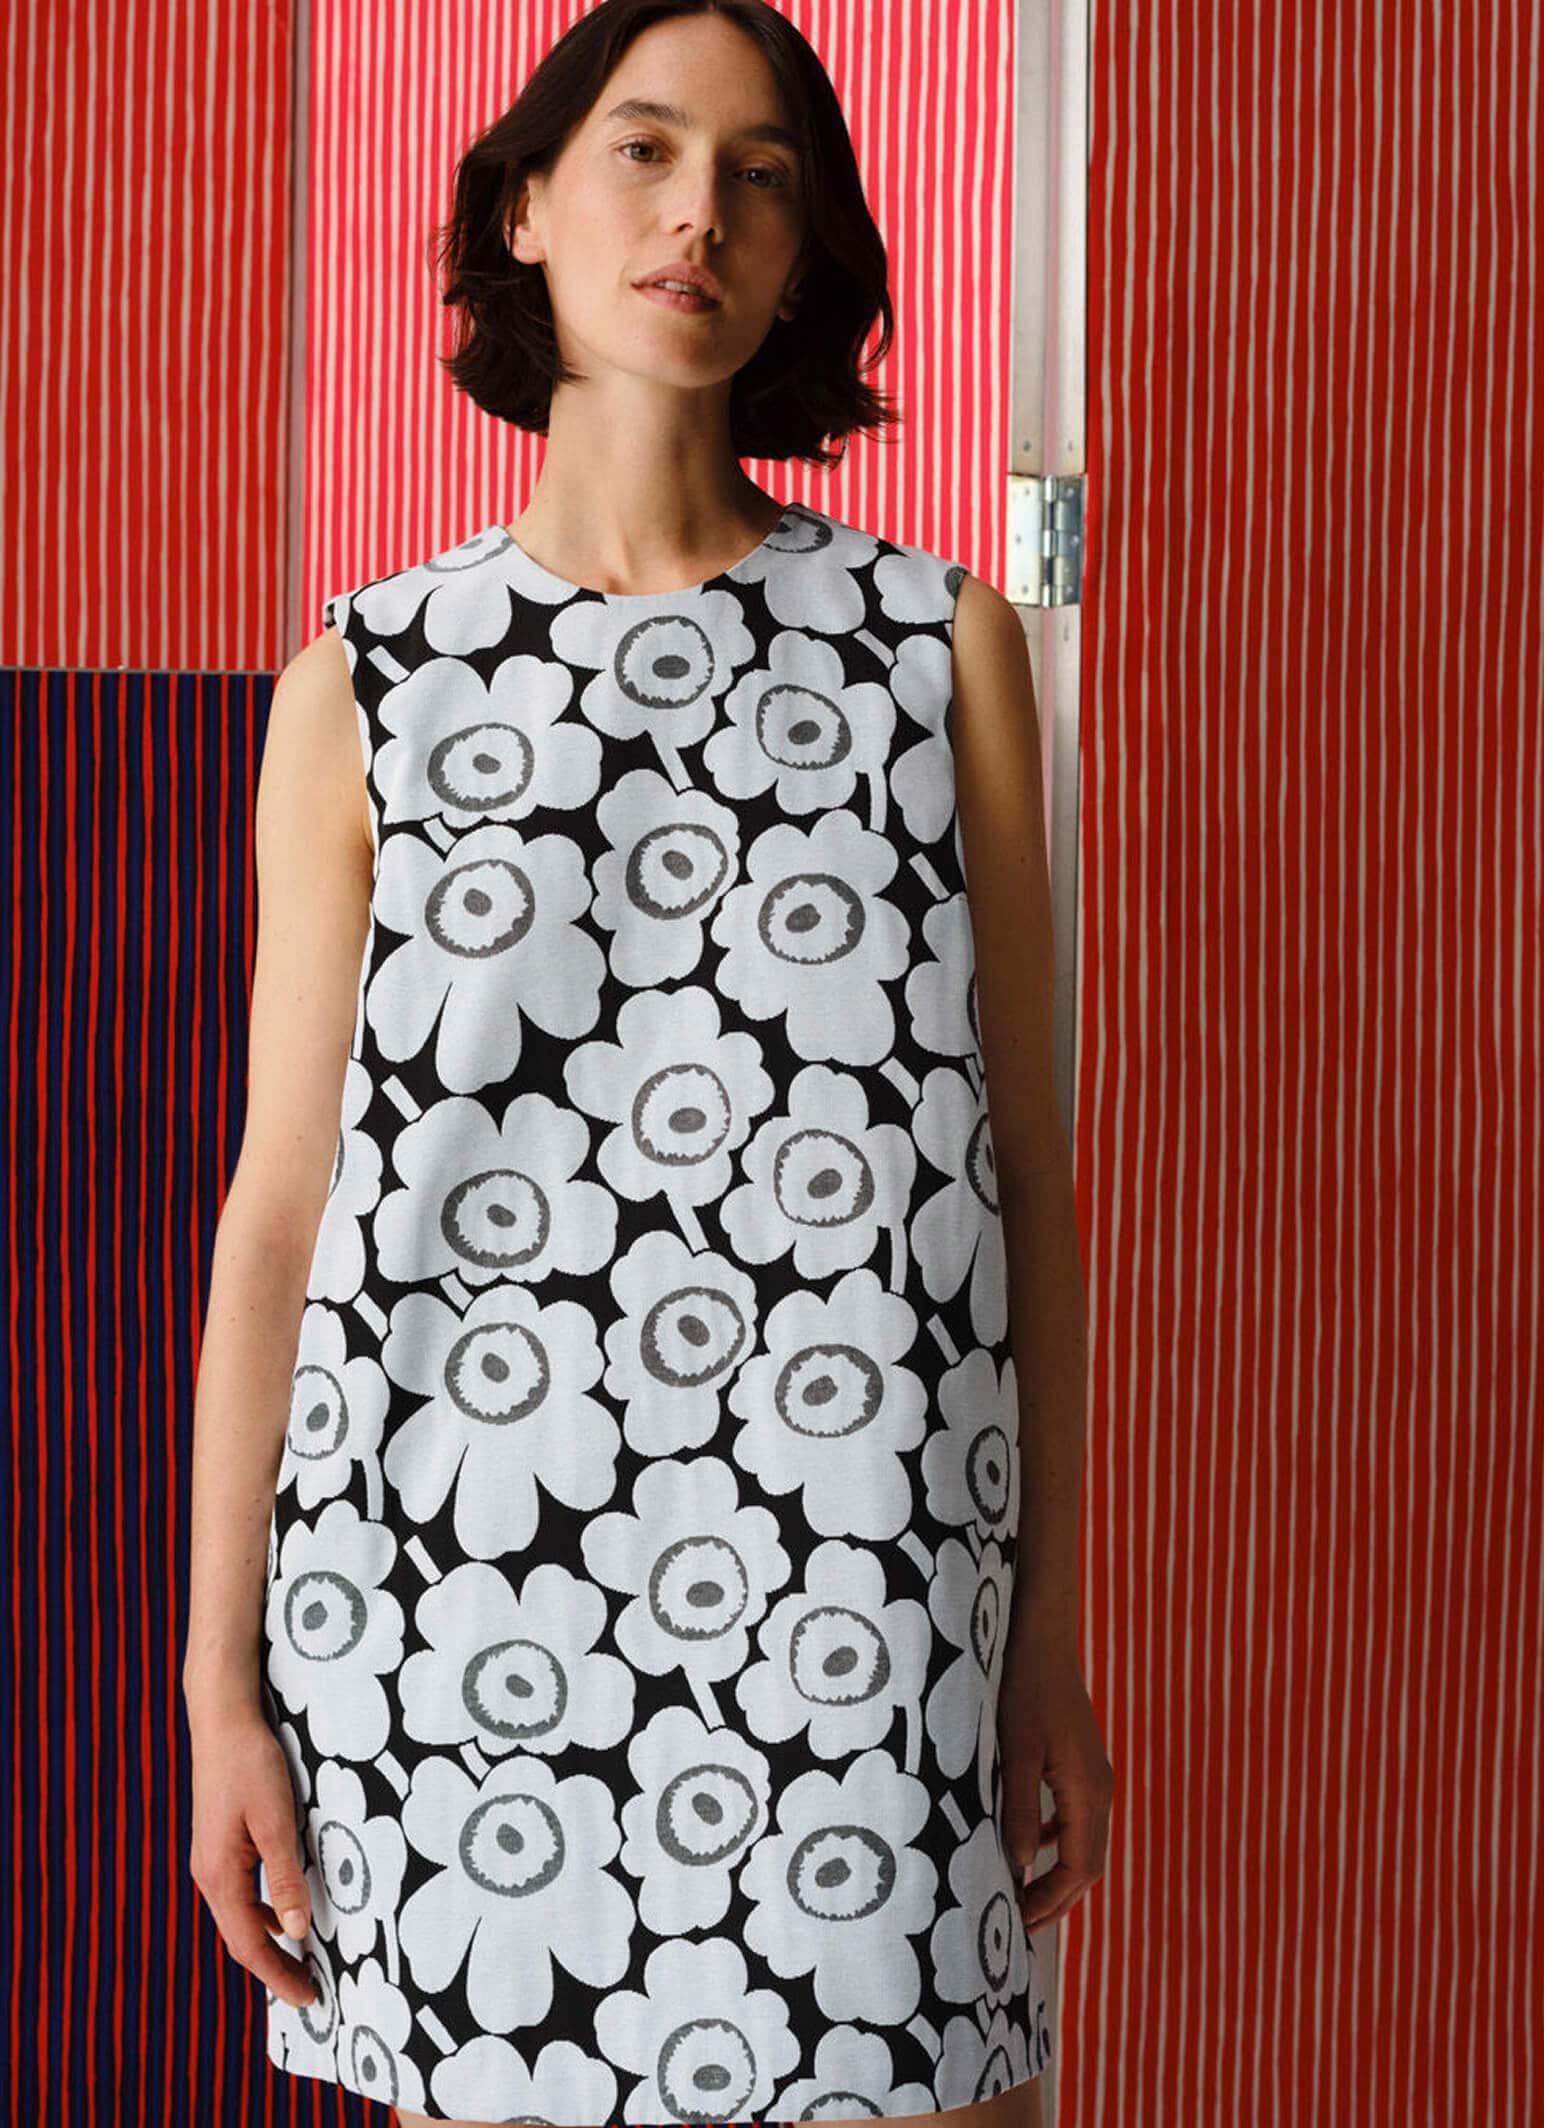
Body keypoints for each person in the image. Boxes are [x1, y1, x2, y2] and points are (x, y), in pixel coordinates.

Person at [181, 2, 1112, 2124]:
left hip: (870, 1590)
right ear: (524, 205)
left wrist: (1045, 1631)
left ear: (801, 263)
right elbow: (283, 1213)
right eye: (644, 147)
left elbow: (1024, 1183)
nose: (700, 210)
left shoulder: (937, 648)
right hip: (452, 1602)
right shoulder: (369, 684)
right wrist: (221, 1680)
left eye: (762, 176)